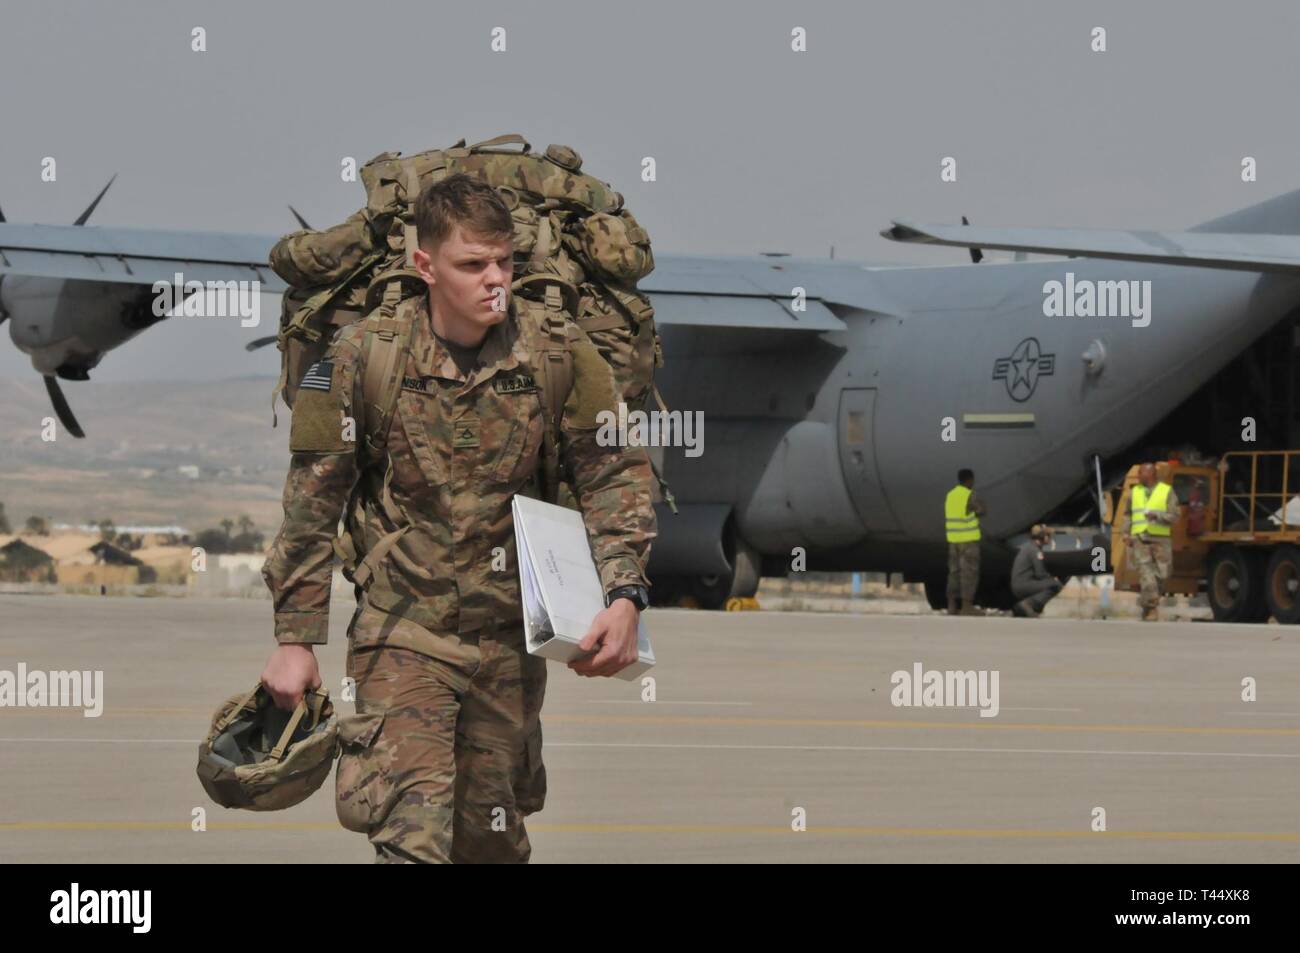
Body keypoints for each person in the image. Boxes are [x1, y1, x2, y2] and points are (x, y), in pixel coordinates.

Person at [259, 173, 657, 863]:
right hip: (402, 631)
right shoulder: (365, 357)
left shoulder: (558, 353)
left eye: (504, 261)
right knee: (412, 838)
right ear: (426, 266)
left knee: (490, 844)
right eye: (473, 264)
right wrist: (297, 638)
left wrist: (624, 594)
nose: (494, 280)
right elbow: (313, 500)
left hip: (508, 645)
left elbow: (613, 475)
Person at [1123, 462, 1179, 621]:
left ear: (1151, 474)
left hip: (1161, 540)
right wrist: (1126, 533)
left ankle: (1146, 603)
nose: (1138, 476)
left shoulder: (1166, 491)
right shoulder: (1134, 492)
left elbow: (1175, 515)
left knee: (1163, 573)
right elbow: (1128, 514)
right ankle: (1152, 609)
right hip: (1140, 538)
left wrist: (1158, 516)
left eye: (1141, 473)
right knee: (1146, 574)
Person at [944, 468, 986, 616]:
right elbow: (982, 510)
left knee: (953, 573)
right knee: (969, 573)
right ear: (969, 480)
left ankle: (951, 605)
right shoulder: (970, 495)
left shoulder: (950, 495)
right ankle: (967, 606)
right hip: (968, 541)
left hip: (953, 540)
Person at [1010, 524, 1062, 617]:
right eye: (1048, 535)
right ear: (1042, 536)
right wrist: (1053, 579)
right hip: (1023, 585)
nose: (1050, 538)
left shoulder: (1028, 547)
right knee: (1056, 585)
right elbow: (1040, 574)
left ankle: (1028, 609)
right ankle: (1028, 604)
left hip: (1019, 585)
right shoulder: (1035, 551)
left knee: (1049, 583)